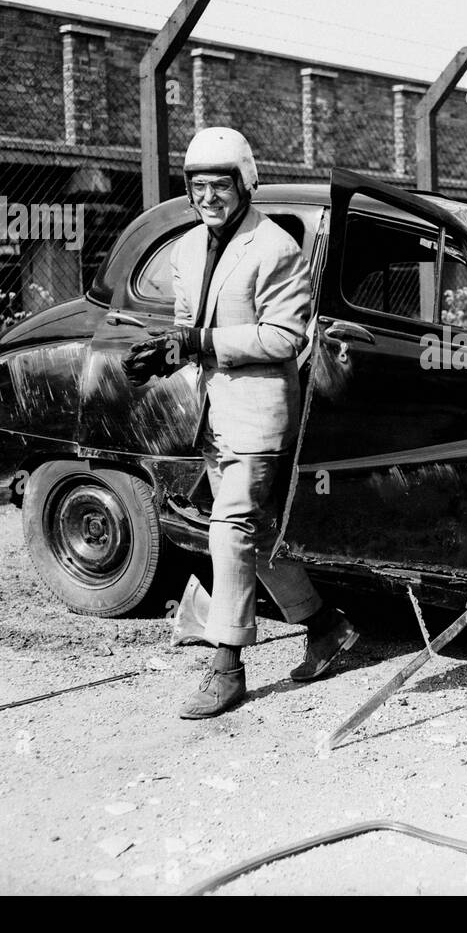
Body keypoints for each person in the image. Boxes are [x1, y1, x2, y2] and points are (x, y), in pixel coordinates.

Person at [122, 126, 357, 718]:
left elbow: (284, 335)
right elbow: (187, 324)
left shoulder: (275, 247)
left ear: (245, 183)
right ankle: (328, 627)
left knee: (230, 528)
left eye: (219, 185)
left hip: (259, 413)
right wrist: (168, 351)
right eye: (197, 186)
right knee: (262, 533)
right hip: (210, 410)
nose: (208, 197)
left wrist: (201, 340)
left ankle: (226, 667)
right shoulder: (185, 250)